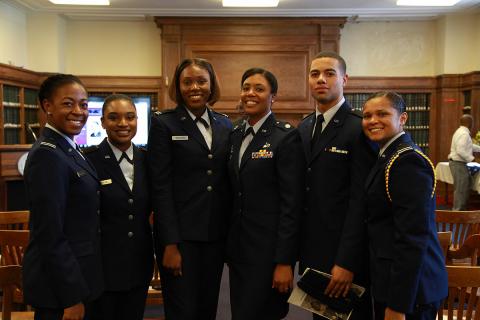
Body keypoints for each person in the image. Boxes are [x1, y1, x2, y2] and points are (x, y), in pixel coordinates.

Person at [147, 58, 232, 319]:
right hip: (181, 239)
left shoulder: (225, 124)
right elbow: (160, 187)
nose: (194, 87)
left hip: (215, 236)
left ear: (211, 85)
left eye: (201, 81)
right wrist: (169, 244)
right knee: (182, 309)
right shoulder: (164, 123)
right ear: (178, 86)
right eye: (187, 82)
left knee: (207, 307)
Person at [297, 51, 376, 320]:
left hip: (344, 258)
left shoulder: (358, 129)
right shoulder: (305, 127)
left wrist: (346, 262)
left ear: (345, 79)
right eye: (315, 74)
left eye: (329, 73)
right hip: (313, 254)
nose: (321, 79)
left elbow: (360, 202)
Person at [23, 74, 103, 320]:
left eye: (83, 104)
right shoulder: (47, 155)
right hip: (61, 290)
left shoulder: (67, 148)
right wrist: (72, 297)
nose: (78, 111)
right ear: (47, 106)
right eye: (68, 103)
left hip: (80, 276)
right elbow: (50, 234)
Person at [362, 91, 447, 320]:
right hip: (393, 283)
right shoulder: (388, 155)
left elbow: (412, 238)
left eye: (382, 114)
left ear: (403, 118)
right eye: (367, 115)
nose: (372, 121)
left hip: (411, 294)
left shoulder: (407, 161)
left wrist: (399, 305)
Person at [227, 68, 303, 320]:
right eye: (246, 87)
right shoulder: (234, 133)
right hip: (238, 250)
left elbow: (291, 204)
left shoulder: (285, 136)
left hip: (269, 254)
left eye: (259, 89)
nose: (250, 93)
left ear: (273, 97)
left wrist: (284, 262)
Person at [85, 94, 153, 320]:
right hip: (102, 269)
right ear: (102, 122)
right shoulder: (88, 160)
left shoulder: (149, 160)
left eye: (130, 117)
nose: (123, 124)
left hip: (139, 267)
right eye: (113, 118)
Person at [448, 114, 480, 210]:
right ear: (470, 123)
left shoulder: (460, 132)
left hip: (458, 164)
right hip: (458, 164)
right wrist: (472, 159)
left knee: (463, 187)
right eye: (472, 122)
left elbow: (469, 146)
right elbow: (460, 150)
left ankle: (460, 212)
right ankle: (458, 214)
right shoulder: (464, 134)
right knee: (461, 190)